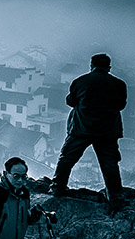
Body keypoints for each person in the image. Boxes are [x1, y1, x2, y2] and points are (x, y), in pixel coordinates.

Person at [49, 53, 128, 213]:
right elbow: (121, 105)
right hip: (107, 131)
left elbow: (71, 101)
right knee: (110, 164)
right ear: (109, 67)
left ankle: (58, 188)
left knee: (67, 158)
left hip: (81, 128)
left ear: (91, 66)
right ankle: (115, 197)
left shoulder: (80, 81)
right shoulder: (119, 84)